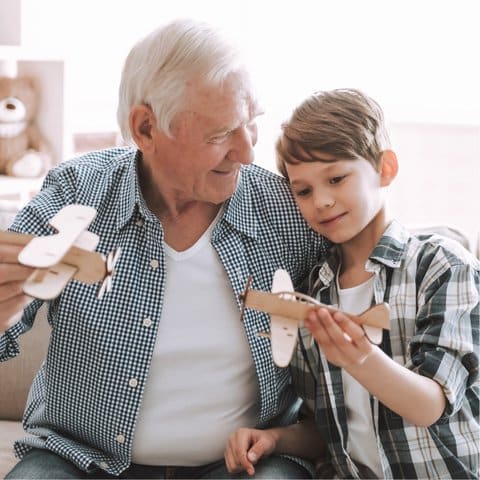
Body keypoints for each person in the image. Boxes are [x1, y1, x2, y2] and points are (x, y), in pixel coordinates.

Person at [0, 19, 330, 479]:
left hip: (244, 466)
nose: (247, 152)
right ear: (146, 128)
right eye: (220, 134)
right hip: (80, 457)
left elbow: (367, 278)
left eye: (252, 124)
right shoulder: (77, 189)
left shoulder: (287, 208)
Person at [224, 89, 480, 479]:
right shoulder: (314, 290)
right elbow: (330, 429)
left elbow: (430, 405)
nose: (322, 201)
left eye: (337, 178)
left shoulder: (441, 265)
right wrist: (275, 438)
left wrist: (361, 358)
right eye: (304, 190)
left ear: (385, 169)